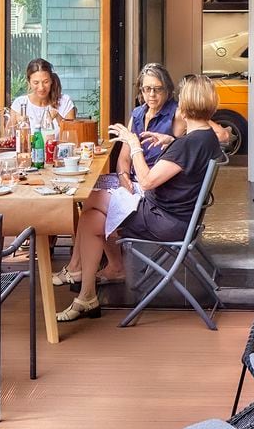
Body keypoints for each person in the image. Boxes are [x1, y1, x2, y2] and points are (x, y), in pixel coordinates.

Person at [55, 74, 222, 322]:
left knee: (91, 199)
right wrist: (171, 141)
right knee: (91, 218)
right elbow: (187, 155)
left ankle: (83, 277)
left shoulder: (187, 145)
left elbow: (146, 181)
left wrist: (134, 144)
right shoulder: (206, 138)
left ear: (184, 109)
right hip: (177, 217)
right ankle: (86, 293)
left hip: (164, 221)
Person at [10, 58, 76, 135]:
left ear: (51, 80)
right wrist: (18, 125)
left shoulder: (65, 102)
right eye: (36, 82)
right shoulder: (20, 104)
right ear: (29, 82)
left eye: (45, 82)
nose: (41, 88)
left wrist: (58, 117)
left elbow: (72, 135)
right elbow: (8, 137)